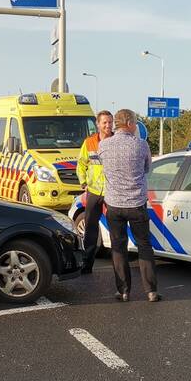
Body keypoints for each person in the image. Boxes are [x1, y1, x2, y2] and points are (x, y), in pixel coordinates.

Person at [97, 108, 159, 302]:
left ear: (116, 124)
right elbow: (147, 168)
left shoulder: (103, 145)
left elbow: (103, 166)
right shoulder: (141, 145)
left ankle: (123, 291)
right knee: (144, 246)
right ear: (131, 123)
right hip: (137, 204)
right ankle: (151, 291)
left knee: (118, 247)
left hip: (114, 205)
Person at [77, 110, 113, 273]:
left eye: (110, 122)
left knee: (116, 227)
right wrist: (83, 182)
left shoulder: (115, 141)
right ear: (98, 124)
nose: (108, 125)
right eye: (104, 122)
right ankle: (87, 263)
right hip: (93, 191)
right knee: (91, 229)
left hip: (112, 191)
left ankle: (118, 264)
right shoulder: (90, 142)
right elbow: (81, 164)